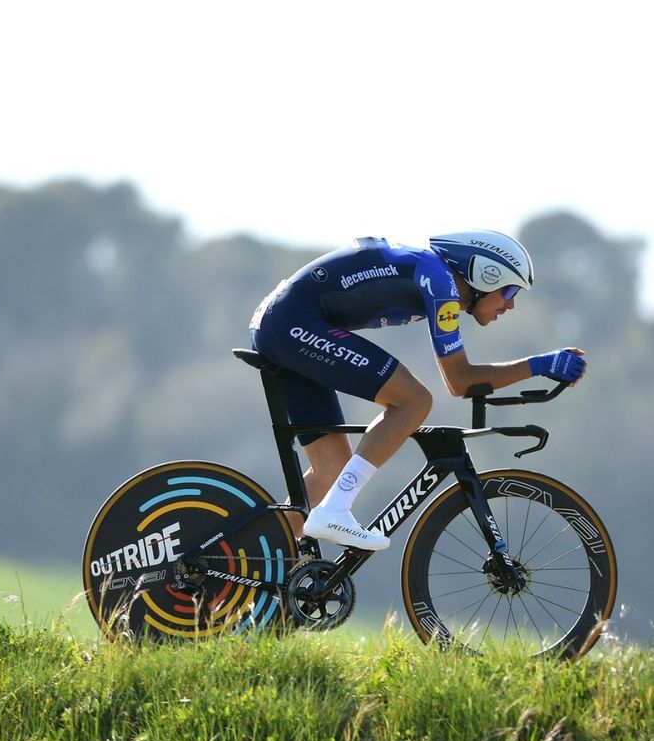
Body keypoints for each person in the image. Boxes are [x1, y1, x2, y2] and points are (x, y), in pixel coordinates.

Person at [248, 231, 586, 551]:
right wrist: (539, 365)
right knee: (413, 400)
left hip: (285, 324)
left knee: (332, 469)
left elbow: (460, 381)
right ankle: (334, 511)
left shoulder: (435, 277)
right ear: (486, 276)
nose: (510, 306)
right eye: (509, 293)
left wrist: (537, 367)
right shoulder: (440, 282)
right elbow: (460, 381)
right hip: (290, 324)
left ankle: (248, 556)